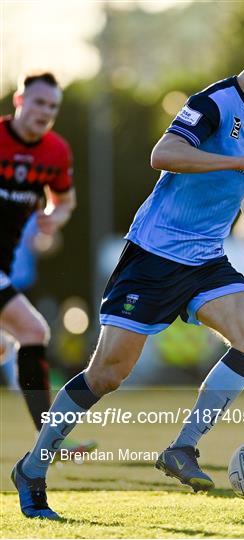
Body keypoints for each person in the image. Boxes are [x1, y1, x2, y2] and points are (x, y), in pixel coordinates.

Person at [12, 13, 244, 519]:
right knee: (108, 374)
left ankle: (183, 447)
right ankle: (32, 468)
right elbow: (164, 153)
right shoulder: (214, 104)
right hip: (153, 256)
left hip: (205, 258)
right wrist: (235, 162)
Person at [0, 73, 95, 454]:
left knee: (6, 348)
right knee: (33, 330)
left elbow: (65, 201)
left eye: (53, 106)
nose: (45, 112)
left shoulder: (56, 152)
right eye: (38, 102)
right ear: (20, 100)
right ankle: (49, 439)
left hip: (4, 265)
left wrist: (54, 217)